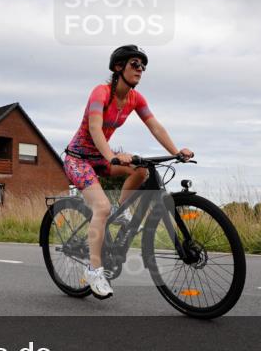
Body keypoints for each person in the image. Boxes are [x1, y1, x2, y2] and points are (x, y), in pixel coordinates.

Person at [63, 45, 194, 299]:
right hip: (79, 159)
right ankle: (94, 270)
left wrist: (176, 151)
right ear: (118, 67)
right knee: (100, 207)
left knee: (142, 171)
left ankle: (121, 213)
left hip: (103, 157)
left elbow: (155, 126)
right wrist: (112, 155)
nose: (140, 70)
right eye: (135, 64)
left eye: (143, 66)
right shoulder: (101, 93)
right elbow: (95, 128)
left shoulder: (135, 98)